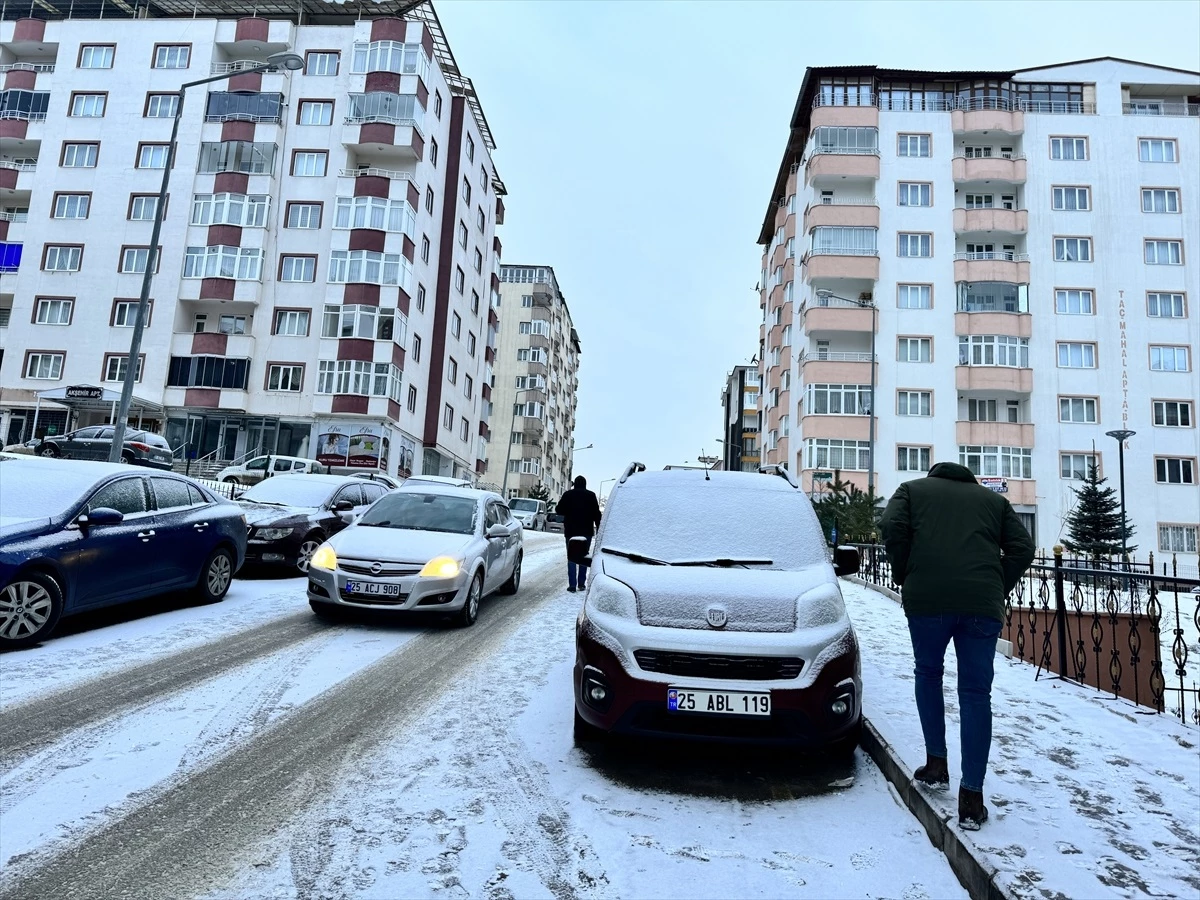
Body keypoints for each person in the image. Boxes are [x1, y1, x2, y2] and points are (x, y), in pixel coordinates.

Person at [879, 461, 1035, 831]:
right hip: (981, 606)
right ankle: (972, 797)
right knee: (976, 694)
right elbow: (1023, 547)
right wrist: (997, 583)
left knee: (929, 674)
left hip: (927, 601)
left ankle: (936, 765)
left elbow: (890, 527)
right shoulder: (992, 501)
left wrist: (905, 572)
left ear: (935, 475)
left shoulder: (911, 491)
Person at [555, 475, 602, 593]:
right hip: (586, 531)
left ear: (574, 484)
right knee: (584, 557)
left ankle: (572, 585)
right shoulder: (591, 495)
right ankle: (581, 584)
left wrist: (569, 511)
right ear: (585, 484)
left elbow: (559, 510)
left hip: (571, 531)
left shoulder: (568, 495)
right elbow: (597, 513)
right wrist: (599, 528)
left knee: (571, 557)